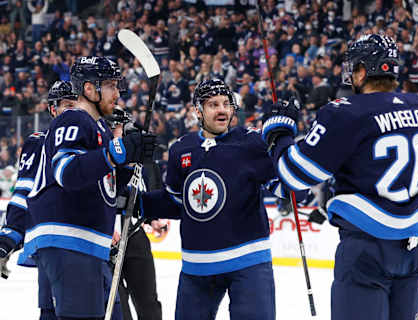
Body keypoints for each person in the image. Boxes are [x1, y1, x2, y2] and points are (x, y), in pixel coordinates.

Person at [262, 34, 418, 320]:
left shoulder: (344, 113)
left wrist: (278, 133)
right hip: (417, 248)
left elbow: (294, 176)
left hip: (366, 250)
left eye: (353, 67)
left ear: (361, 71)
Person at [131, 79, 285, 320]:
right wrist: (138, 203)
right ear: (198, 111)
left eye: (226, 103)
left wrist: (283, 142)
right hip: (197, 268)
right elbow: (177, 202)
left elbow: (287, 188)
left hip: (248, 263)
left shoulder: (252, 142)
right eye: (213, 104)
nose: (222, 109)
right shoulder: (180, 149)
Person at [23, 56, 155, 320]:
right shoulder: (74, 118)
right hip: (70, 241)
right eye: (110, 85)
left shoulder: (98, 130)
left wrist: (128, 172)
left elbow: (103, 186)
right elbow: (66, 172)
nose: (118, 93)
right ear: (89, 88)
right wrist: (118, 152)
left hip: (90, 247)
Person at [0, 80, 77, 319]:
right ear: (53, 109)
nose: (73, 110)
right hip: (54, 242)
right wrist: (8, 238)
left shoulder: (96, 140)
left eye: (77, 105)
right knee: (53, 312)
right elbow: (25, 192)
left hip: (92, 243)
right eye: (66, 105)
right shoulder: (40, 141)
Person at [106, 106, 164, 320]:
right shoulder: (99, 154)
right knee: (118, 305)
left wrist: (154, 217)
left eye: (120, 125)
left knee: (148, 301)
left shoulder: (140, 156)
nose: (116, 130)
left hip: (134, 232)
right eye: (112, 125)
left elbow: (148, 189)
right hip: (105, 237)